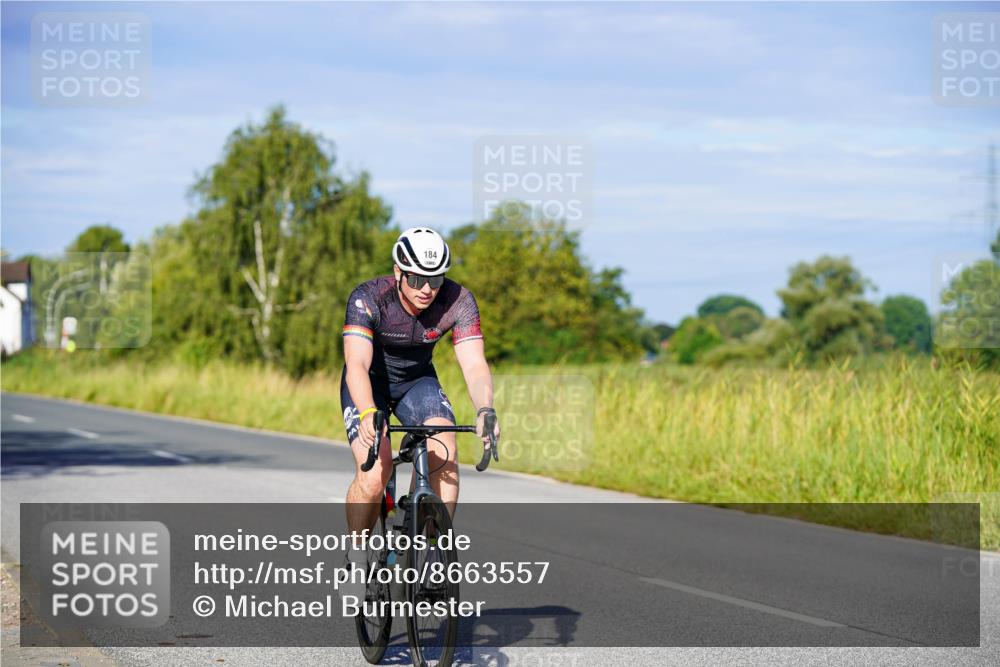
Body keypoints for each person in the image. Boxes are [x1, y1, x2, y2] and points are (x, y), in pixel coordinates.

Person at [341, 227, 500, 539]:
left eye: (436, 279)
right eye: (416, 279)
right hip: (369, 384)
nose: (427, 289)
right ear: (398, 271)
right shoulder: (368, 298)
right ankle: (356, 555)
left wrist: (485, 408)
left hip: (417, 383)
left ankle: (426, 552)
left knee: (446, 451)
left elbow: (474, 364)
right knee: (374, 476)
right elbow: (356, 364)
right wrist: (366, 411)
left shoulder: (459, 301)